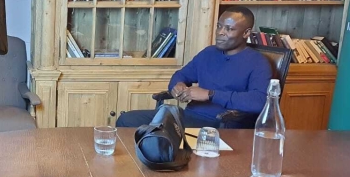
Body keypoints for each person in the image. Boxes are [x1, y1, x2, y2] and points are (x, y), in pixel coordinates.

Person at [116, 7, 272, 129]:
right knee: (126, 121)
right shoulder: (209, 53)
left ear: (246, 33)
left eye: (229, 29)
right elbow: (181, 74)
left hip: (219, 125)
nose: (220, 33)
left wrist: (211, 94)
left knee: (160, 134)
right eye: (219, 26)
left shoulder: (258, 62)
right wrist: (177, 86)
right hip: (187, 116)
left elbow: (260, 102)